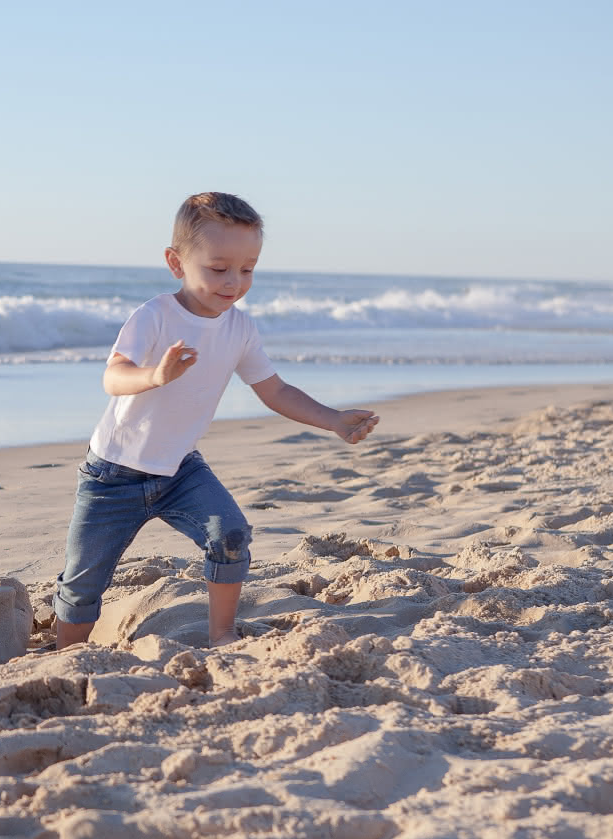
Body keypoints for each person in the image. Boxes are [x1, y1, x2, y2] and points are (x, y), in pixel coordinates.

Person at [53, 192, 377, 650]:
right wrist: (156, 375)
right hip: (114, 473)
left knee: (230, 534)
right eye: (219, 268)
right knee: (84, 579)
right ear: (176, 262)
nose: (234, 282)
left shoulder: (239, 328)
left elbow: (275, 390)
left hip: (181, 469)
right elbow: (113, 376)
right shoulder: (155, 316)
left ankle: (222, 634)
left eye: (248, 269)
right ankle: (68, 650)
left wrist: (334, 419)